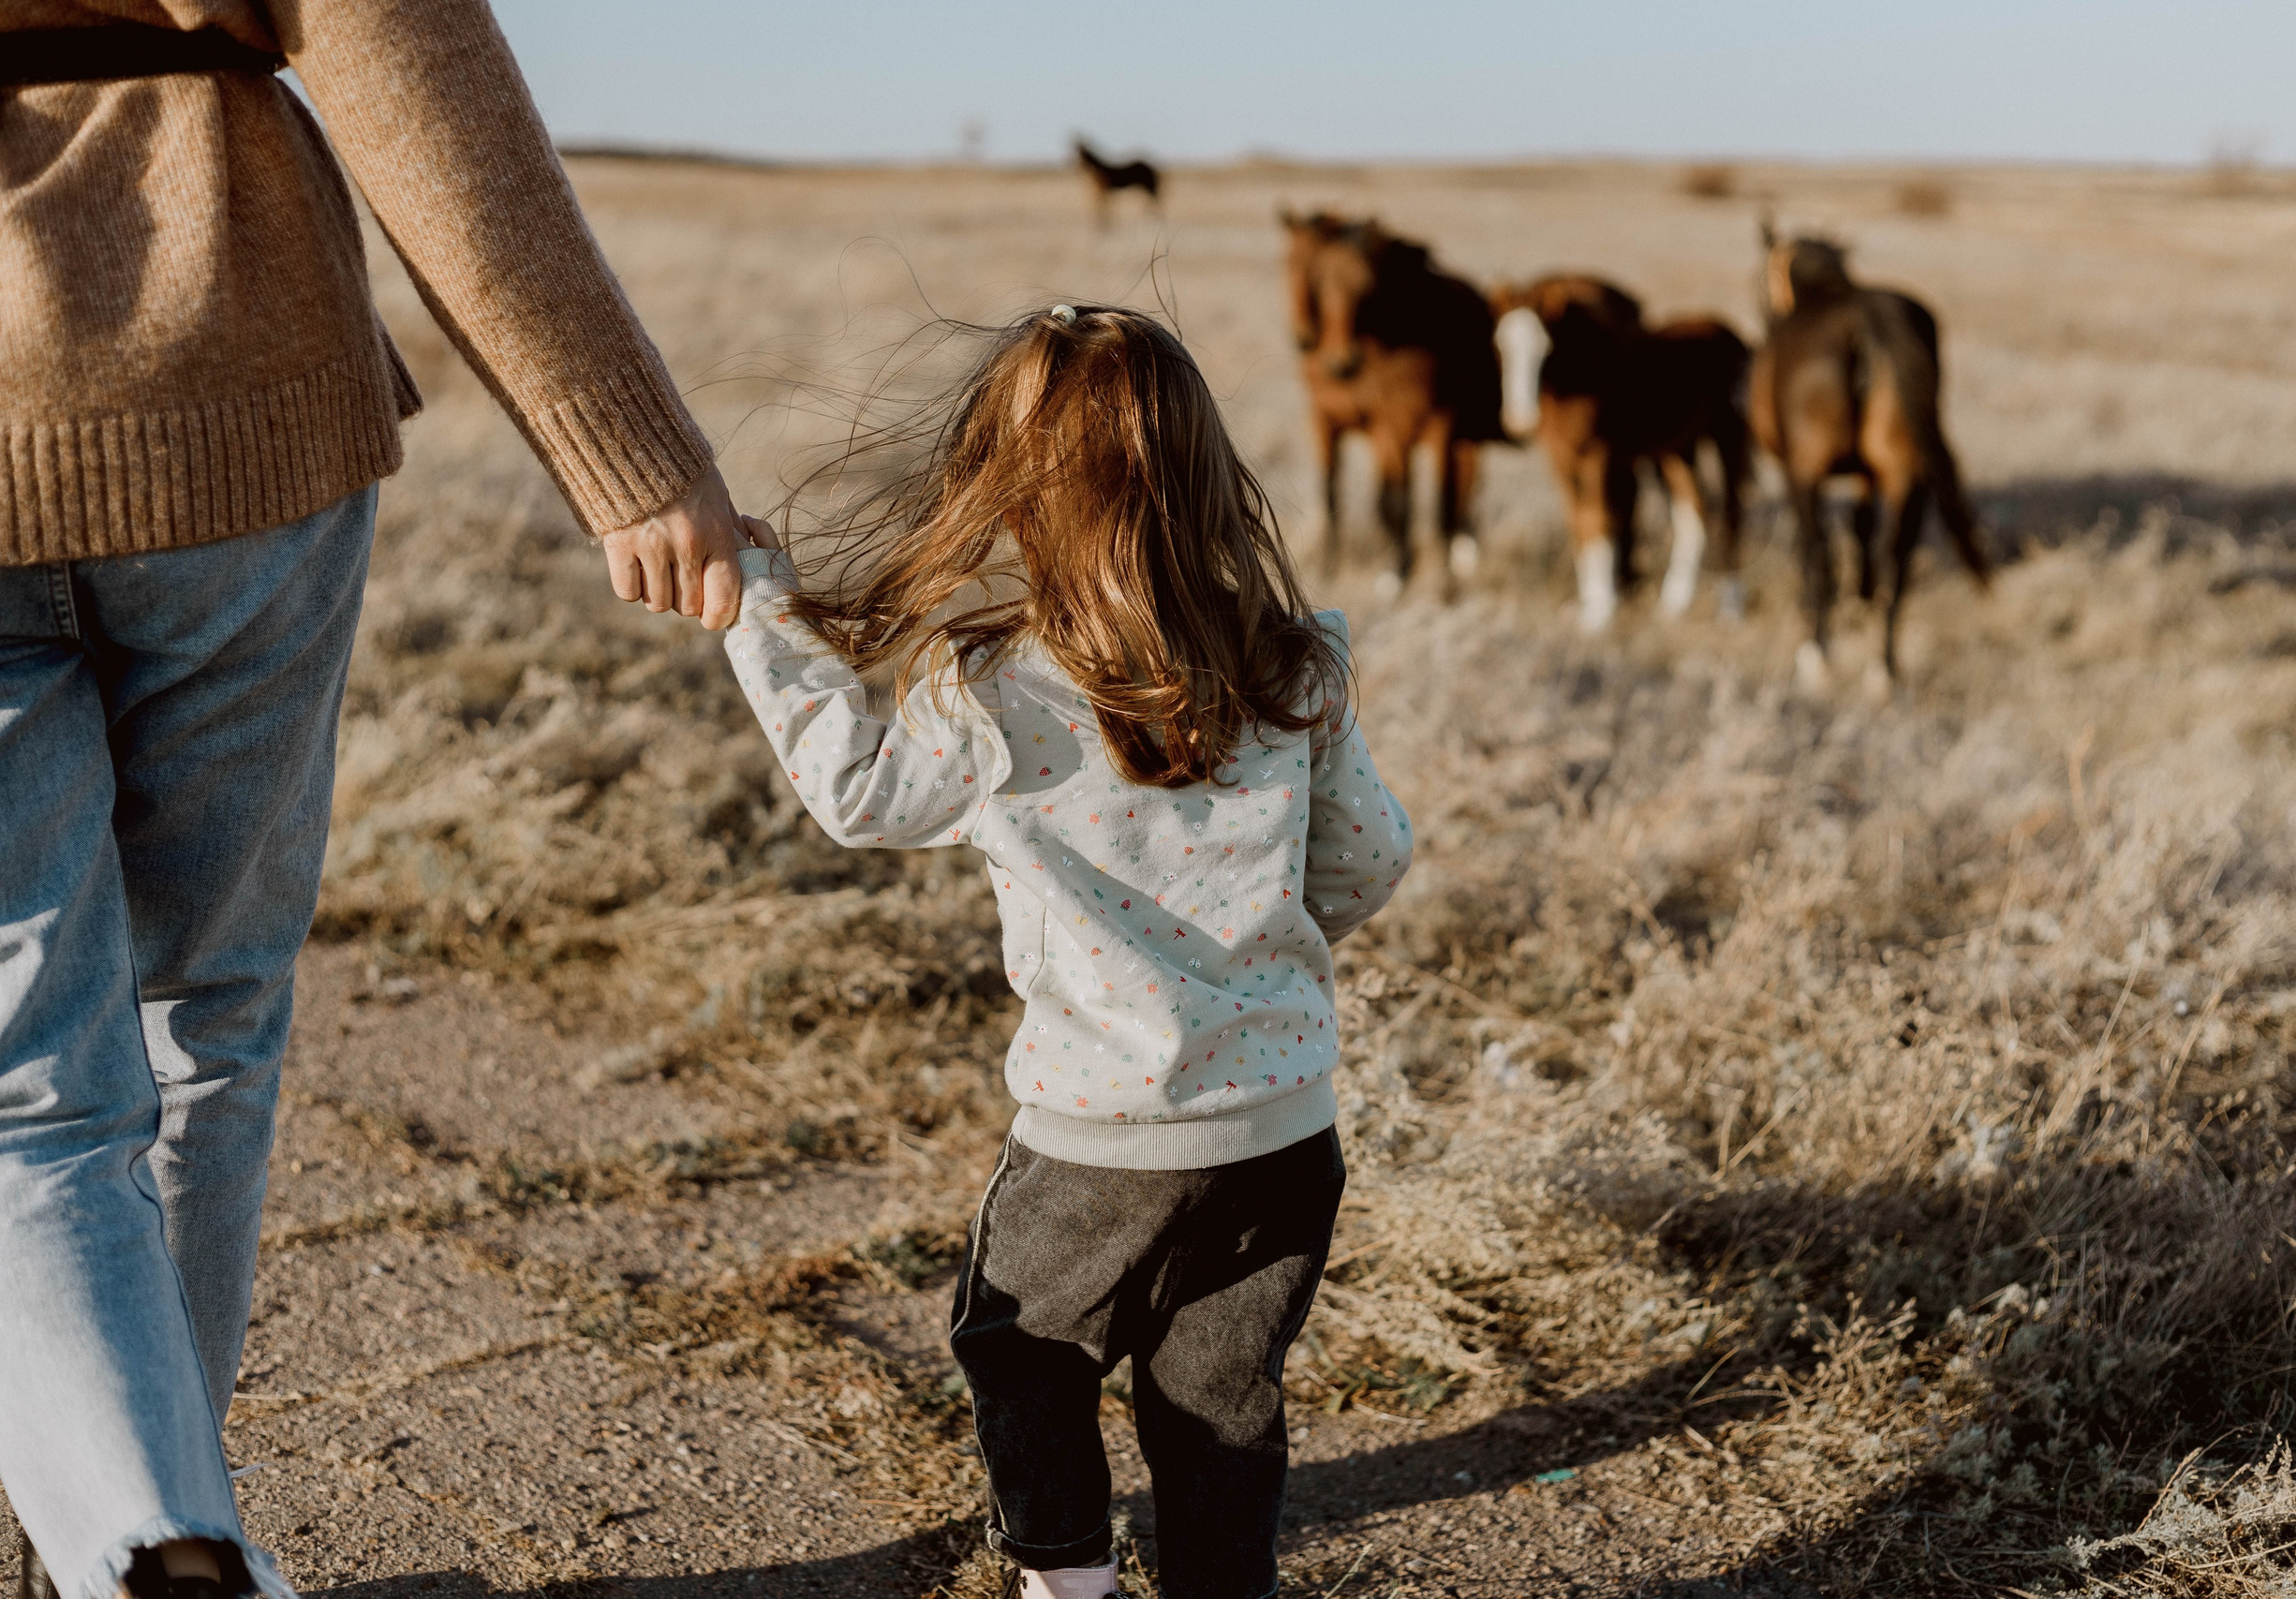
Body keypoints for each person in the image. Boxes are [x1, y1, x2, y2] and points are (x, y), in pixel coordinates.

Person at [0, 7, 749, 1599]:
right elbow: (398, 49)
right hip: (233, 390)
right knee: (204, 1009)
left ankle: (131, 1534)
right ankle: (159, 1544)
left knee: (24, 1082)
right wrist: (624, 451)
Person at [721, 305, 1414, 1599]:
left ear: (1010, 492)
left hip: (1098, 1141)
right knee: (1223, 1398)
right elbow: (1367, 860)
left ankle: (1068, 1585)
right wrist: (1261, 959)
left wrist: (761, 619)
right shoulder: (1295, 660)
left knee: (1020, 1348)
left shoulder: (991, 688)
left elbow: (857, 793)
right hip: (1283, 1127)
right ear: (1207, 477)